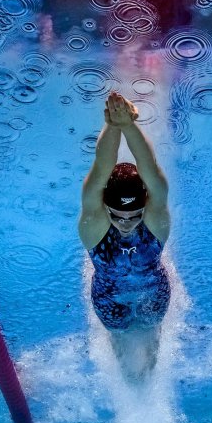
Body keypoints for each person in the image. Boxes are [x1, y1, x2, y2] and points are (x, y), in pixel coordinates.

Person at [79, 92, 171, 381]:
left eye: (134, 215)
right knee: (118, 338)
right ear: (104, 207)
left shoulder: (155, 220)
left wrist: (129, 126)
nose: (126, 223)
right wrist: (114, 125)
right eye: (117, 215)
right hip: (109, 299)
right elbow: (101, 169)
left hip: (154, 293)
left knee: (152, 334)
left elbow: (151, 170)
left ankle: (149, 380)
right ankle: (129, 384)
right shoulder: (94, 225)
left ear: (146, 207)